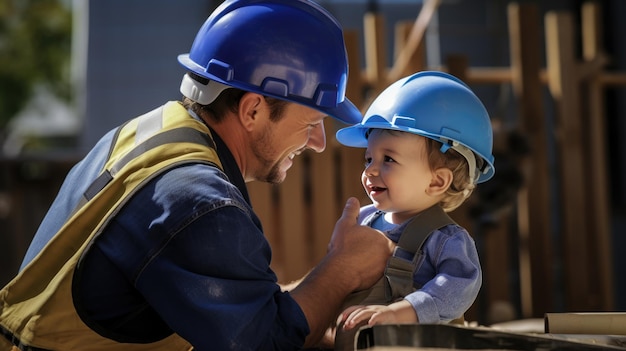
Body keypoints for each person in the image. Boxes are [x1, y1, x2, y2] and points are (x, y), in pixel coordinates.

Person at [0, 1, 393, 350]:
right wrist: (342, 269)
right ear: (253, 110)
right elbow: (267, 342)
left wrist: (317, 298)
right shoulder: (199, 203)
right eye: (311, 122)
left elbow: (242, 310)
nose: (319, 143)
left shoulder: (149, 134)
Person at [333, 71, 496, 335]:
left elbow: (459, 285)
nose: (370, 171)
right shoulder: (363, 221)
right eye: (368, 159)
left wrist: (406, 310)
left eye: (388, 159)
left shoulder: (445, 239)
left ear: (436, 182)